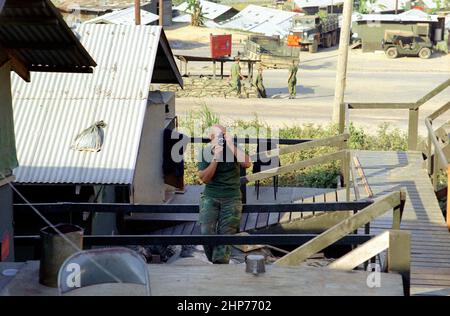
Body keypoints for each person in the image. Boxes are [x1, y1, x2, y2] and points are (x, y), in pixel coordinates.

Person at [197, 125, 252, 264]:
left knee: (226, 235)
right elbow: (204, 178)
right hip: (211, 195)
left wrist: (230, 145)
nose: (221, 140)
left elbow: (247, 163)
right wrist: (216, 157)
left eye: (223, 136)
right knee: (206, 232)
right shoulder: (205, 151)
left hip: (232, 197)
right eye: (218, 137)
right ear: (211, 138)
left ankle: (220, 264)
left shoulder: (233, 149)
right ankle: (215, 260)